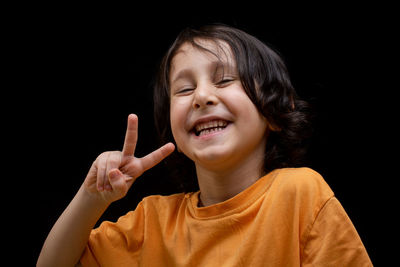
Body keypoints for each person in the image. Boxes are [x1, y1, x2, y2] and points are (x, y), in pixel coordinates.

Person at [37, 24, 372, 266]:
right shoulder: (151, 222)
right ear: (173, 131)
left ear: (272, 111)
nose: (201, 97)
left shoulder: (301, 194)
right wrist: (90, 199)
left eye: (224, 79)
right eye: (183, 90)